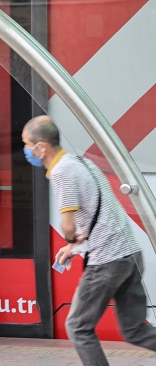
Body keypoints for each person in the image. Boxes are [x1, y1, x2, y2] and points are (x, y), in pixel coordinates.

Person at [22, 116, 156, 366]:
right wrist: (75, 246)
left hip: (107, 261)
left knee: (78, 327)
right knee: (135, 330)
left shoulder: (61, 172)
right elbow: (105, 214)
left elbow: (69, 224)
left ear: (41, 147)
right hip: (129, 254)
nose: (26, 150)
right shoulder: (82, 162)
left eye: (27, 144)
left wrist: (71, 238)